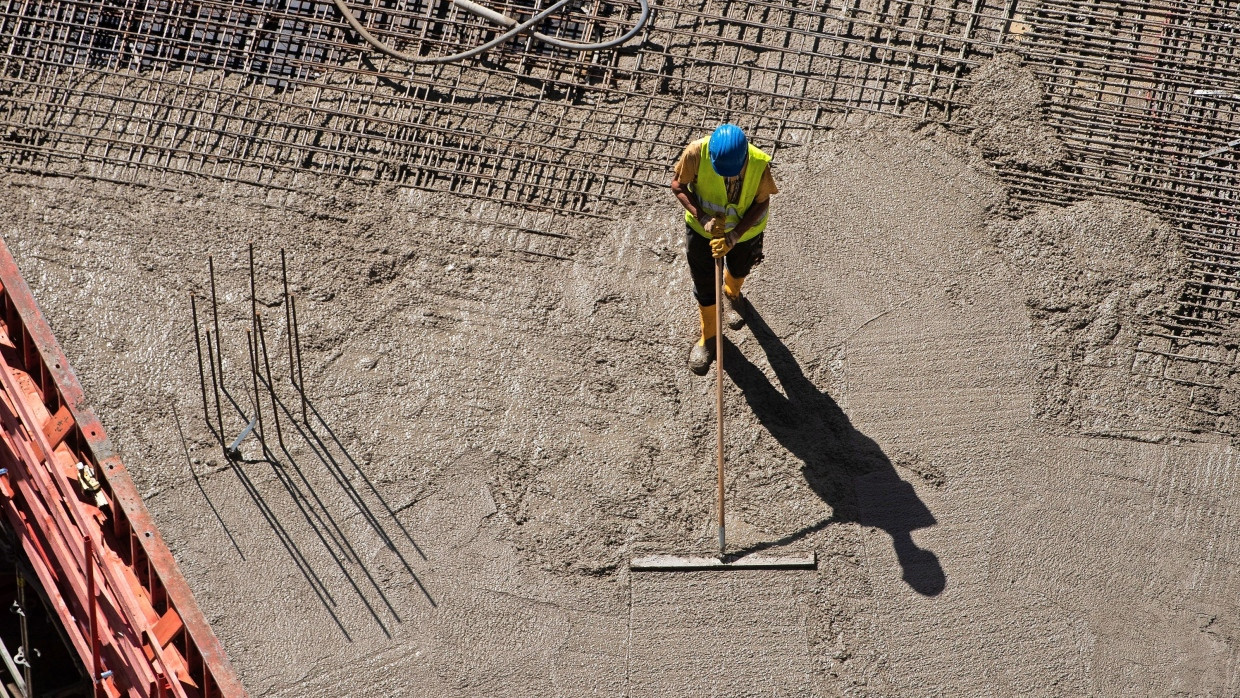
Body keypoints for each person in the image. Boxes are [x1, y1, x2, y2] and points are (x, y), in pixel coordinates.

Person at [670, 123, 778, 375]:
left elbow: (763, 201)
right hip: (701, 232)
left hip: (746, 233)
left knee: (741, 268)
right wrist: (702, 217)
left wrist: (735, 235)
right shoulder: (696, 153)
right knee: (705, 282)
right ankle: (709, 337)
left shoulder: (759, 163)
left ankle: (732, 294)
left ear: (744, 158)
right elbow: (678, 185)